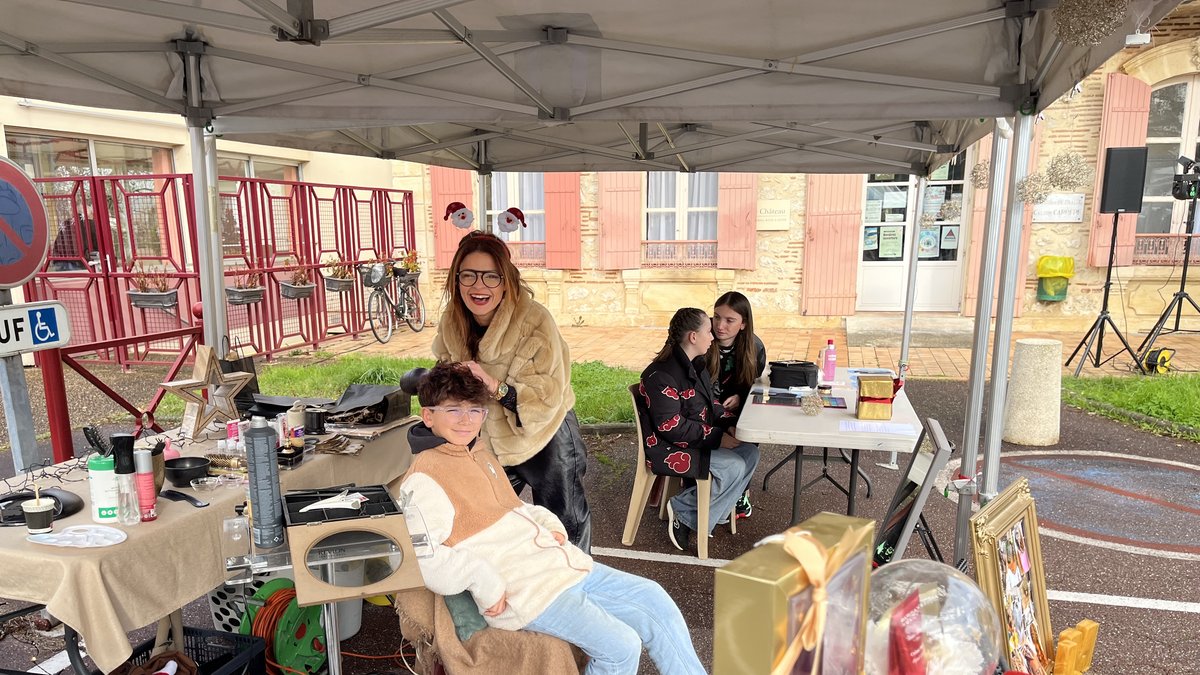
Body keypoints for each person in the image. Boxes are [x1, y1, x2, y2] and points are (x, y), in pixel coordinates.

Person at [398, 363, 707, 675]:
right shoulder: (425, 477)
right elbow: (426, 559)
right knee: (621, 646)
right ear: (428, 416)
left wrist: (547, 522)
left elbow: (510, 507)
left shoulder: (477, 452)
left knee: (653, 596)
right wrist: (485, 583)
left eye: (476, 410)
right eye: (453, 410)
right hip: (526, 592)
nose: (467, 420)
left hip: (557, 566)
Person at [433, 230, 592, 551]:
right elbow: (447, 380)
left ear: (506, 281)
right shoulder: (451, 322)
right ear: (456, 280)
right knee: (485, 518)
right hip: (492, 440)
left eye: (490, 276)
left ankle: (574, 592)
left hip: (547, 436)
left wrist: (493, 385)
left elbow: (546, 396)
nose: (479, 286)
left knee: (563, 528)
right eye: (469, 275)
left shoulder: (534, 321)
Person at [639, 308, 760, 552]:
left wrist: (729, 425)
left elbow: (711, 406)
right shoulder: (661, 375)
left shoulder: (696, 365)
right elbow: (671, 427)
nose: (713, 336)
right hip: (668, 448)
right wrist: (717, 438)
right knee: (733, 465)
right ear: (693, 337)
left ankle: (710, 512)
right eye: (708, 331)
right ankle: (684, 511)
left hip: (693, 439)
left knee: (750, 453)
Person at [708, 291, 766, 520]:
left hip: (738, 409)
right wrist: (723, 416)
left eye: (730, 320)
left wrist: (741, 397)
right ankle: (706, 487)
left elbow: (754, 384)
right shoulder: (704, 340)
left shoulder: (755, 347)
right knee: (731, 435)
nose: (720, 325)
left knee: (750, 428)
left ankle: (740, 490)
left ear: (743, 324)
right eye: (716, 317)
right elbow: (697, 390)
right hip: (707, 413)